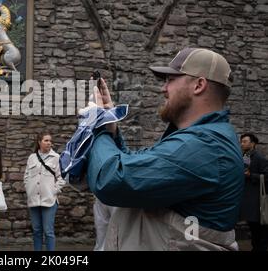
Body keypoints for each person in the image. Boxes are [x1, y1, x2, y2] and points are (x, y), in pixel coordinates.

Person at [88, 48, 244, 250]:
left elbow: (111, 180)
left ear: (198, 85)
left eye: (170, 80)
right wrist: (111, 126)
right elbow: (135, 170)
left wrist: (100, 128)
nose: (163, 88)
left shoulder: (205, 146)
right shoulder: (198, 140)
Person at [24, 132, 65, 251]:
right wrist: (28, 189)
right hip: (34, 200)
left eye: (50, 141)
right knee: (36, 230)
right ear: (39, 142)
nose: (49, 143)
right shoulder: (32, 157)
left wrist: (54, 191)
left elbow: (61, 178)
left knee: (48, 231)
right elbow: (26, 176)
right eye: (46, 140)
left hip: (49, 200)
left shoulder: (56, 157)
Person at [239, 133, 268, 251]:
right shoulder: (243, 156)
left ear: (253, 143)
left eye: (245, 141)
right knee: (253, 227)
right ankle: (256, 247)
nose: (242, 144)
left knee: (260, 228)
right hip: (248, 199)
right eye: (241, 141)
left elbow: (267, 176)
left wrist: (251, 175)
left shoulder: (260, 158)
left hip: (258, 200)